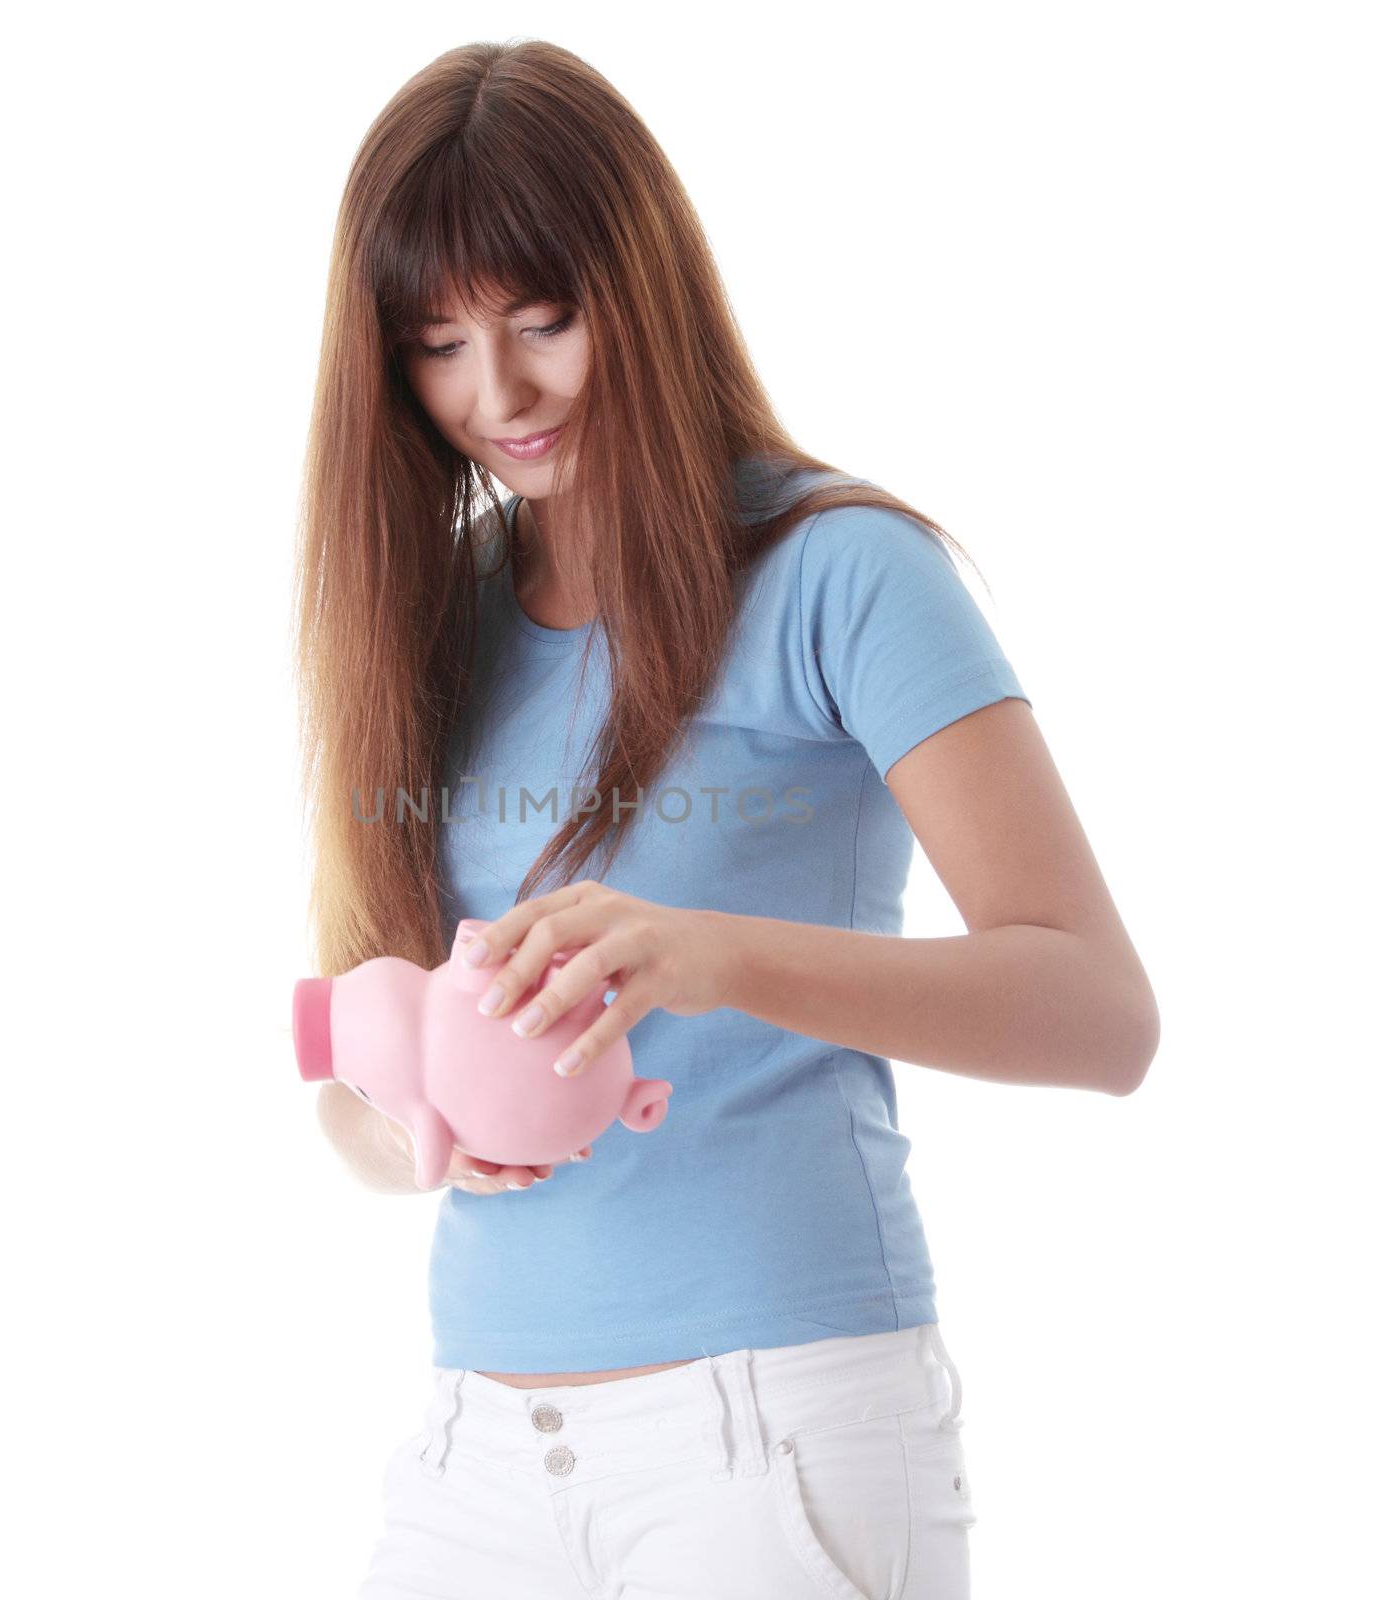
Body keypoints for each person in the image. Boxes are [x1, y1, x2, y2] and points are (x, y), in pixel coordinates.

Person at [294, 39, 1159, 1600]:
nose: (500, 395)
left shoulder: (842, 572)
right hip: (477, 1445)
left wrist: (710, 955)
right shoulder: (435, 621)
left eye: (544, 320)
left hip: (776, 1437)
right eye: (438, 343)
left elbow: (1102, 1014)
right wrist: (424, 1130)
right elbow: (356, 1102)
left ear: (645, 280)